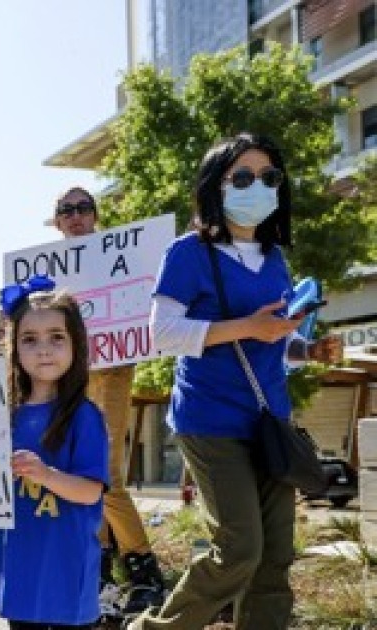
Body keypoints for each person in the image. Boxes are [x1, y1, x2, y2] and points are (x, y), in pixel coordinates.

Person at [130, 133, 342, 629]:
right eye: (242, 177)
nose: (258, 188)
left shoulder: (274, 261)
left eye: (269, 178)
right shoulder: (188, 253)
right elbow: (161, 334)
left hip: (269, 424)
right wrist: (249, 326)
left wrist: (307, 350)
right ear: (215, 186)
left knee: (275, 559)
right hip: (210, 421)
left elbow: (270, 344)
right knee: (239, 549)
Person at [49, 187, 166, 615]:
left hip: (112, 371)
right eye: (67, 210)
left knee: (104, 476)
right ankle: (98, 571)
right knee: (78, 473)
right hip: (67, 380)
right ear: (57, 220)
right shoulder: (45, 275)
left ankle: (143, 569)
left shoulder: (122, 259)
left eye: (83, 208)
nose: (76, 215)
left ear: (95, 216)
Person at [0, 277, 109, 630]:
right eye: (29, 339)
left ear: (76, 344)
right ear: (14, 348)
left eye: (56, 337)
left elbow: (91, 492)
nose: (43, 349)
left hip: (66, 578)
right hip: (19, 573)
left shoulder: (84, 417)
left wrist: (46, 475)